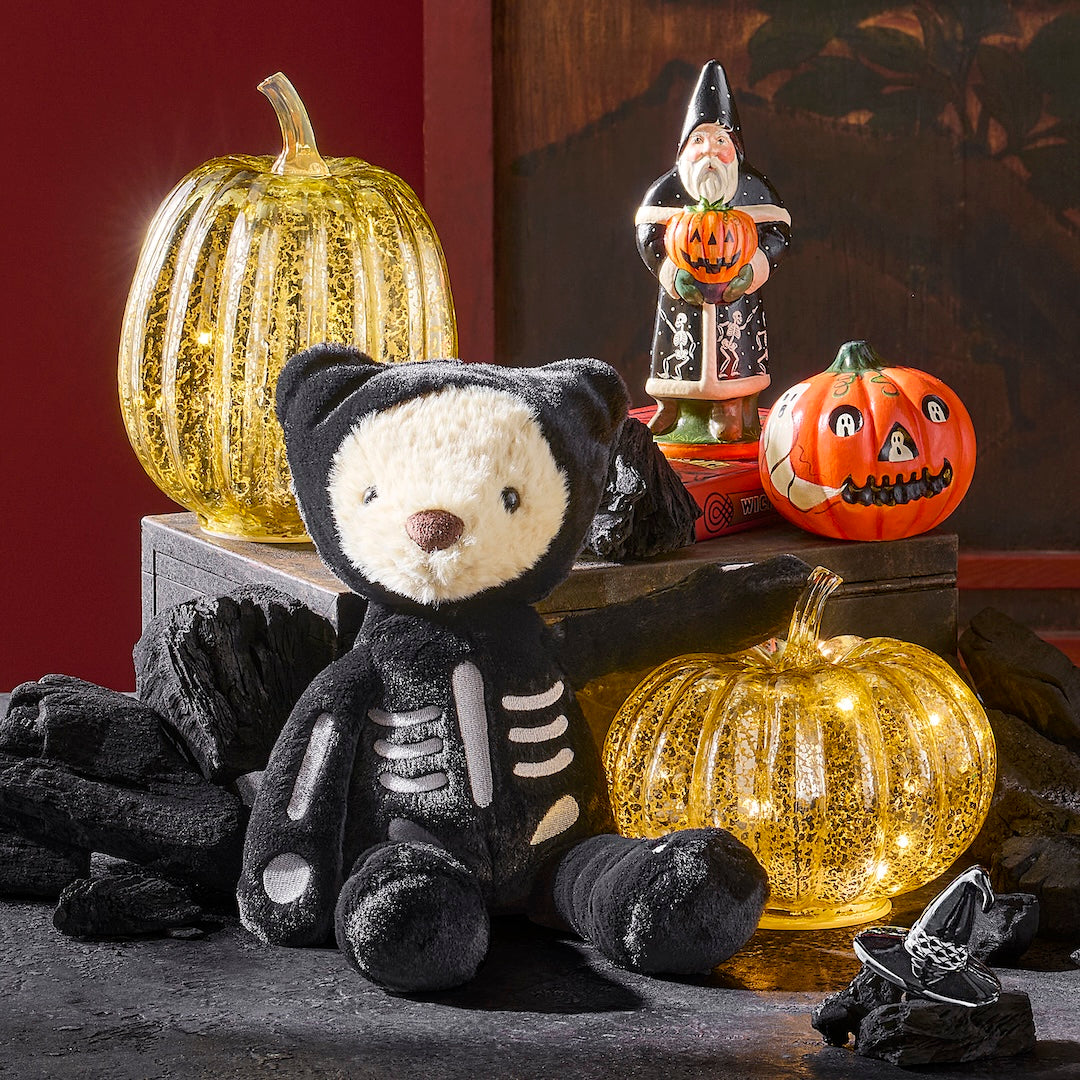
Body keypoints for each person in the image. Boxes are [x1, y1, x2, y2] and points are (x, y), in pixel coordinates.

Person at [636, 60, 791, 443]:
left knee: (735, 352)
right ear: (684, 148)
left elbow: (777, 233)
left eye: (720, 141)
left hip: (735, 297)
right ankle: (672, 405)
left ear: (735, 148)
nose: (710, 151)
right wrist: (672, 272)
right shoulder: (667, 191)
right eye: (699, 141)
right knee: (676, 352)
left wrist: (753, 269)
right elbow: (649, 235)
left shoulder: (752, 189)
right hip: (682, 297)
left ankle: (730, 406)